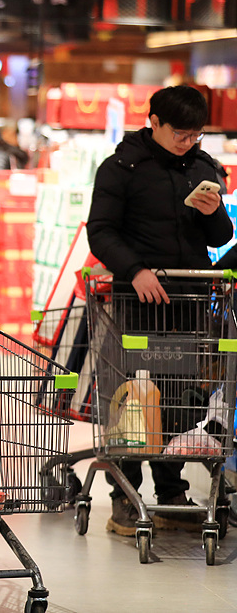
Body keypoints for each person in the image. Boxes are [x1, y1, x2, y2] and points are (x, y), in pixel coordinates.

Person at [87, 84, 233, 537]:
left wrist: (213, 215)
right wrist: (135, 270)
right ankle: (124, 500)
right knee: (132, 400)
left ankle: (170, 492)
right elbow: (101, 231)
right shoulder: (121, 168)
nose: (188, 143)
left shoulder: (204, 168)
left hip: (190, 301)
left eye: (196, 135)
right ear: (154, 122)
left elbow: (218, 235)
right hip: (138, 302)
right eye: (180, 134)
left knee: (181, 398)